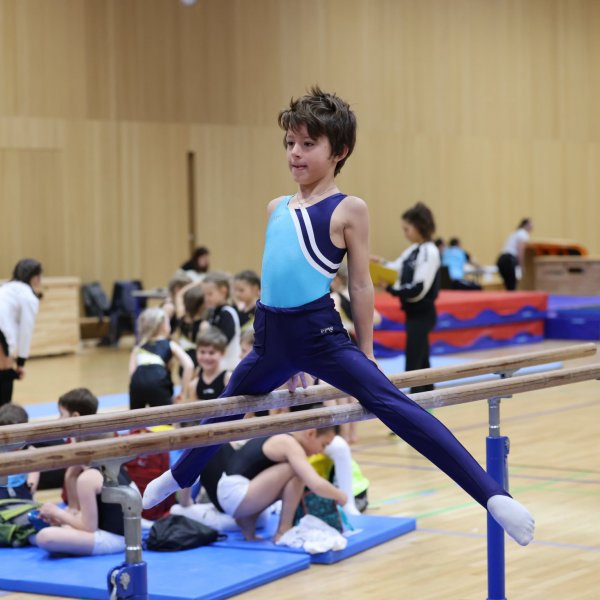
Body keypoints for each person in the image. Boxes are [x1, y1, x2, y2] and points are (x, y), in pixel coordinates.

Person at [143, 87, 534, 547]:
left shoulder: (349, 209)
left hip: (321, 336)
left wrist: (365, 350)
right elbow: (274, 280)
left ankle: (492, 496)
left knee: (397, 407)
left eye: (308, 144)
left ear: (339, 151)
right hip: (270, 338)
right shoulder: (276, 208)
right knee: (227, 408)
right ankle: (177, 476)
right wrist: (277, 356)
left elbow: (362, 284)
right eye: (290, 143)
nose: (295, 153)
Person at [201, 427, 345, 541]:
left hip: (233, 491)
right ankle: (283, 531)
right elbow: (316, 484)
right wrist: (340, 496)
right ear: (311, 433)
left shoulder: (285, 436)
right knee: (298, 472)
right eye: (323, 444)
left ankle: (248, 519)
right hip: (234, 493)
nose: (322, 451)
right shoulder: (289, 444)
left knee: (294, 472)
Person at [382, 202, 440, 393]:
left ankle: (415, 401)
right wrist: (380, 264)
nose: (405, 233)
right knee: (421, 358)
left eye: (407, 229)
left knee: (413, 360)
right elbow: (395, 267)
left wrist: (392, 289)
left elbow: (418, 289)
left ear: (419, 226)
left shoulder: (429, 251)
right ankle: (428, 394)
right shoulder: (412, 251)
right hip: (413, 313)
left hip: (423, 313)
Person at [32, 458, 136, 556]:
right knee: (63, 526)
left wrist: (56, 512)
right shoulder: (113, 464)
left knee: (44, 537)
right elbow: (79, 511)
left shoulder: (87, 478)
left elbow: (89, 528)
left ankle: (30, 538)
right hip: (127, 534)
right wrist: (62, 518)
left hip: (116, 539)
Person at [129, 307, 194, 409]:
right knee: (165, 419)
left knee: (136, 420)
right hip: (158, 381)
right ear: (163, 326)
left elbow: (132, 373)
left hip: (137, 382)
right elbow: (189, 365)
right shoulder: (170, 344)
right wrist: (183, 392)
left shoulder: (138, 347)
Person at [0, 259, 43, 405]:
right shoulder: (28, 296)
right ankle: (4, 418)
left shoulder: (7, 287)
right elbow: (26, 331)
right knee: (4, 373)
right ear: (34, 277)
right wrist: (21, 363)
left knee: (6, 373)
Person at [201, 272, 241, 371]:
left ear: (223, 291)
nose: (206, 298)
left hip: (228, 367)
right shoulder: (213, 313)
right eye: (204, 295)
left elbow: (222, 342)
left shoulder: (228, 313)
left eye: (210, 294)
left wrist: (206, 333)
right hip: (219, 367)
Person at [0, 403, 36, 499]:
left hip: (22, 490)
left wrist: (31, 484)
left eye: (19, 437)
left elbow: (34, 473)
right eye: (10, 439)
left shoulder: (29, 451)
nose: (15, 443)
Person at [187, 328, 231, 402]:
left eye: (211, 353)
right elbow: (194, 412)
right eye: (202, 352)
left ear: (223, 353)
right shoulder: (194, 385)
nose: (206, 357)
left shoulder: (228, 379)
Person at [497, 218, 533, 291]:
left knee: (509, 287)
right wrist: (522, 265)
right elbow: (520, 251)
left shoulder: (514, 233)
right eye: (531, 225)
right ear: (525, 225)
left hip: (501, 260)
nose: (532, 228)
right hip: (509, 260)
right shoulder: (523, 234)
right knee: (512, 287)